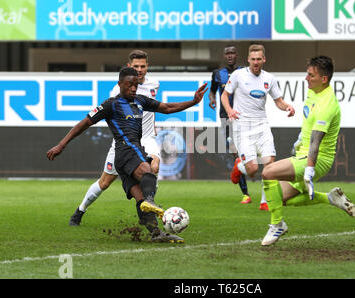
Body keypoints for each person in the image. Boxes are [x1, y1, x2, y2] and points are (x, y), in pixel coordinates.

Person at [47, 67, 208, 243]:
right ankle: (150, 201)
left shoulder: (140, 101)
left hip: (124, 157)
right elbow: (84, 123)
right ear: (120, 84)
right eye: (129, 85)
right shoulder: (111, 104)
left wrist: (193, 102)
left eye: (136, 85)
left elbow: (167, 107)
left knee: (140, 196)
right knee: (148, 172)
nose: (133, 88)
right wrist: (61, 144)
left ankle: (155, 233)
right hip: (127, 150)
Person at [259, 56, 355, 246]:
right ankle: (330, 198)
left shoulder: (327, 104)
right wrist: (299, 139)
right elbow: (309, 127)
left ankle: (277, 225)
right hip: (304, 153)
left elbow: (316, 141)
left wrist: (309, 170)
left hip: (316, 158)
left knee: (268, 172)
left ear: (324, 79)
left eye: (311, 75)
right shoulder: (314, 93)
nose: (306, 78)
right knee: (279, 198)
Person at [69, 50, 161, 227]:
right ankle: (80, 210)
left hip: (147, 138)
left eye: (143, 66)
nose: (140, 70)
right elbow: (114, 116)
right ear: (129, 67)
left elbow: (151, 108)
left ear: (147, 66)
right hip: (124, 143)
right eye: (136, 66)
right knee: (104, 183)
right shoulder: (117, 91)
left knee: (153, 167)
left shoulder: (154, 84)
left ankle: (145, 210)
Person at [221, 44, 295, 211]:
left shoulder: (269, 78)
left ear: (264, 59)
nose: (255, 62)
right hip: (243, 126)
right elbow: (225, 96)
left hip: (262, 125)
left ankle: (264, 201)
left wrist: (287, 107)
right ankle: (240, 167)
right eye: (253, 59)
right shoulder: (238, 75)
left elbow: (278, 101)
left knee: (270, 163)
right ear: (248, 60)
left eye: (258, 59)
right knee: (253, 169)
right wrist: (230, 111)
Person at [208, 45, 252, 205]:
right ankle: (246, 193)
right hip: (225, 117)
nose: (230, 56)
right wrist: (212, 99)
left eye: (232, 52)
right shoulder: (218, 74)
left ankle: (242, 172)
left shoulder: (244, 72)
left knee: (242, 152)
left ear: (237, 55)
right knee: (235, 152)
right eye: (227, 53)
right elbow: (212, 91)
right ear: (224, 56)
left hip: (243, 117)